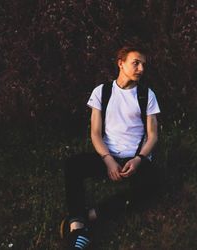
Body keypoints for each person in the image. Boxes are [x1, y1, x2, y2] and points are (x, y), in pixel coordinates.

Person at [60, 40, 160, 250]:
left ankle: (93, 215)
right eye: (136, 63)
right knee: (73, 165)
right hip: (108, 155)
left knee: (153, 185)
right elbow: (95, 134)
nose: (141, 69)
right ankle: (77, 225)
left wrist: (139, 159)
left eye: (143, 64)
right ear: (120, 63)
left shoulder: (146, 95)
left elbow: (152, 136)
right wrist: (108, 161)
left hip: (134, 158)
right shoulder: (102, 92)